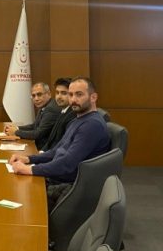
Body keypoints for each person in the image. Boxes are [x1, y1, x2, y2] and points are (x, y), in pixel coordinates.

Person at [8, 77, 110, 210]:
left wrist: (29, 169)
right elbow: (56, 151)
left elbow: (67, 164)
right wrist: (28, 159)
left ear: (93, 97)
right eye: (71, 94)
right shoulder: (77, 120)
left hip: (67, 186)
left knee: (17, 198)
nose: (73, 99)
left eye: (79, 94)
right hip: (56, 177)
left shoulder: (91, 125)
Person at [39, 77, 77, 151]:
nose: (59, 97)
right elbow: (50, 141)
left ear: (71, 95)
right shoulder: (63, 111)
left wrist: (40, 155)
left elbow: (61, 146)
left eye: (64, 93)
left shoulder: (72, 115)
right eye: (57, 93)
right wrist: (40, 152)